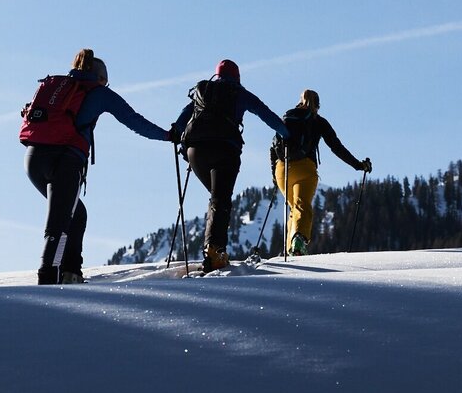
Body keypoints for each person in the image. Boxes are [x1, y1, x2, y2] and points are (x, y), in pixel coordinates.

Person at [21, 48, 172, 285]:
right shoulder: (99, 93)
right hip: (65, 160)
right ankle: (48, 280)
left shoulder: (58, 88)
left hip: (33, 158)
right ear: (101, 78)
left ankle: (71, 272)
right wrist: (167, 135)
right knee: (59, 225)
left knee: (76, 215)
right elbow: (134, 120)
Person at [172, 59, 288, 273]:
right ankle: (215, 252)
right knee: (220, 198)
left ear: (216, 75)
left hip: (195, 151)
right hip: (225, 148)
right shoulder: (238, 93)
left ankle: (213, 249)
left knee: (217, 197)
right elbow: (264, 112)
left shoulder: (203, 91)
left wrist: (174, 131)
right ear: (237, 77)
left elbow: (184, 116)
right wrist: (286, 133)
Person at [272, 89, 372, 256]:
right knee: (302, 205)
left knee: (293, 208)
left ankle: (290, 247)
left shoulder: (287, 118)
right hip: (305, 168)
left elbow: (272, 147)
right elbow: (336, 147)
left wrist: (274, 176)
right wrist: (358, 165)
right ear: (317, 105)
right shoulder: (319, 122)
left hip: (282, 169)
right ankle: (298, 241)